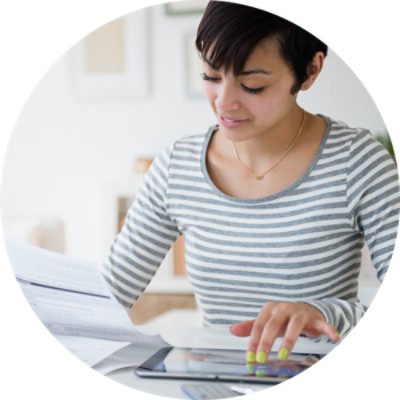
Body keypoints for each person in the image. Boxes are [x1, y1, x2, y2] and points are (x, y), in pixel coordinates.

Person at [102, 1, 399, 366]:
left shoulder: (358, 162)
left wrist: (320, 313)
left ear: (310, 71)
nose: (224, 103)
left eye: (252, 86)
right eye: (211, 77)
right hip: (208, 384)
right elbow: (108, 293)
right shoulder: (176, 167)